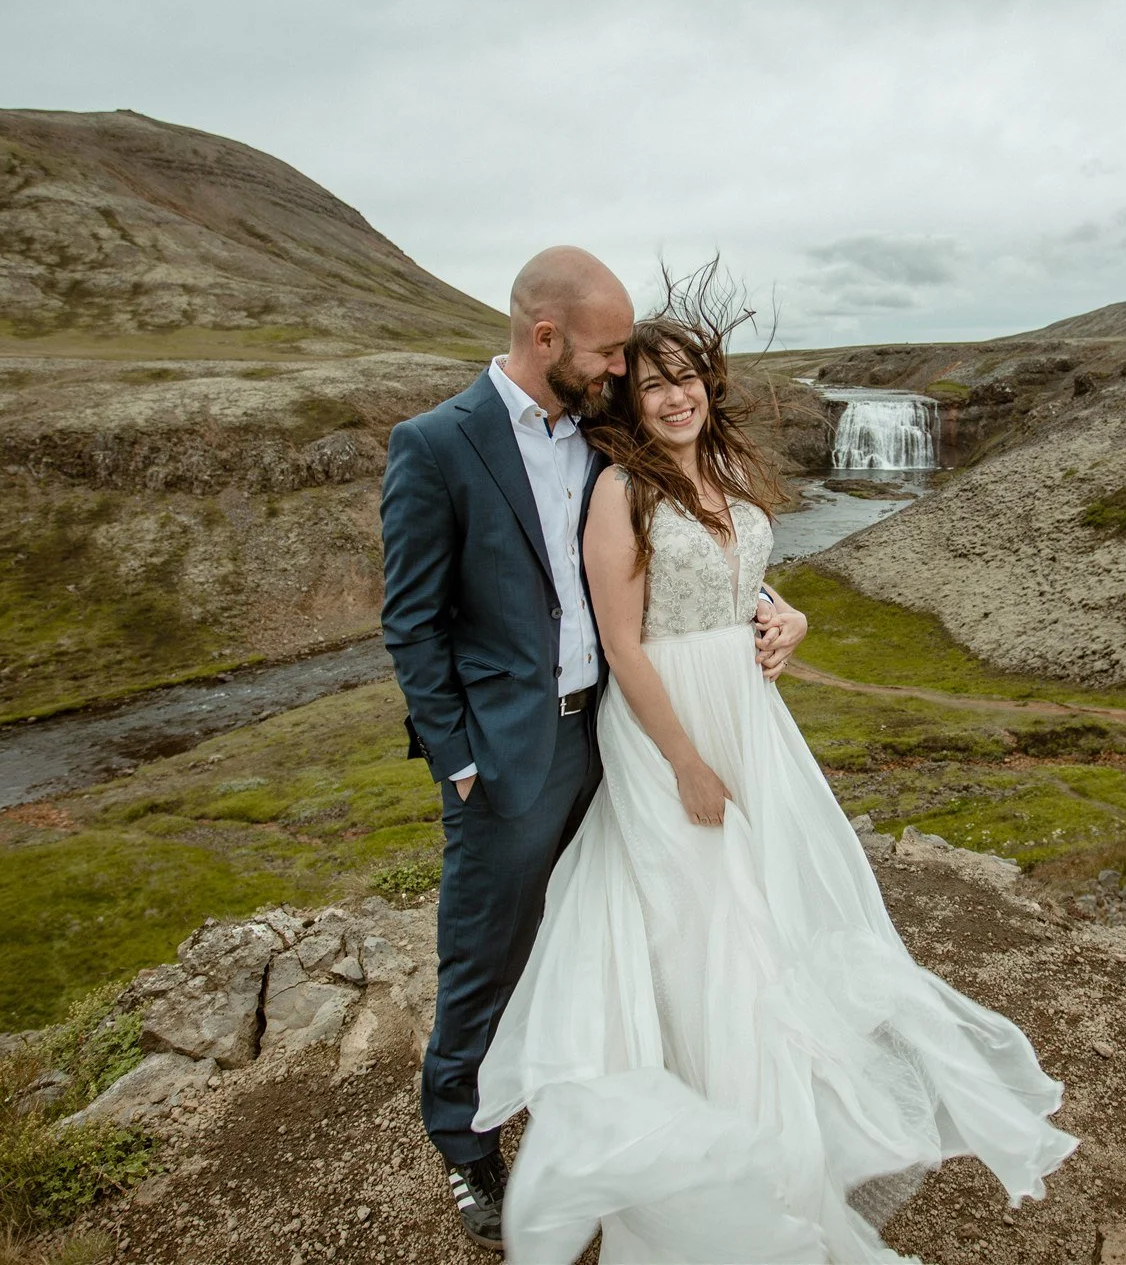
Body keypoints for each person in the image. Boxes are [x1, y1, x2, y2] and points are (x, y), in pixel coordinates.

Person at [473, 264, 1077, 1263]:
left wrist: (786, 615)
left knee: (767, 906)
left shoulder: (724, 476)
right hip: (670, 721)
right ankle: (710, 1151)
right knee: (698, 917)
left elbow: (742, 582)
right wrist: (687, 766)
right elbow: (622, 646)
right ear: (628, 399)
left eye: (687, 378)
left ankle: (779, 1117)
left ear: (708, 384)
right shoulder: (620, 490)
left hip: (746, 711)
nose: (673, 396)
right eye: (651, 383)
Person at [380, 247, 809, 1252]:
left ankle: (618, 1100)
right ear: (546, 339)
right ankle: (465, 1142)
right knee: (489, 944)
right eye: (611, 351)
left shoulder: (599, 432)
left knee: (628, 924)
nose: (622, 370)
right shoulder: (436, 445)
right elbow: (411, 621)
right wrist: (460, 758)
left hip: (619, 728)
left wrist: (779, 613)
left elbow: (693, 554)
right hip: (511, 750)